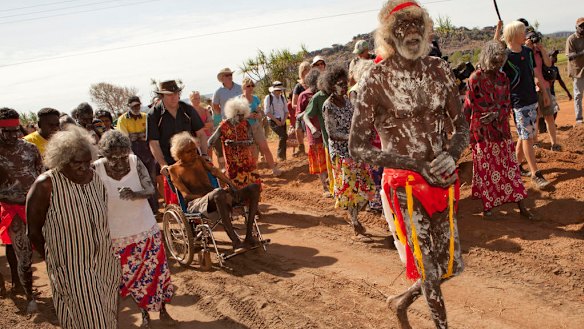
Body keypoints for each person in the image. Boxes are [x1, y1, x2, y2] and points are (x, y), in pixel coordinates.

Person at [349, 1, 469, 328]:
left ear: (427, 28)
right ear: (389, 34)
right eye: (404, 26)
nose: (412, 33)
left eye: (418, 24)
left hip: (441, 181)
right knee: (429, 270)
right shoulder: (376, 78)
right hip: (404, 184)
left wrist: (451, 153)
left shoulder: (439, 70)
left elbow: (462, 127)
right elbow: (357, 145)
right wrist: (412, 164)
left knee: (450, 267)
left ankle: (400, 301)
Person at [26, 126, 120, 328]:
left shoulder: (95, 180)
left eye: (88, 162)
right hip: (73, 270)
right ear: (62, 160)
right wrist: (56, 260)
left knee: (107, 317)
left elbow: (102, 219)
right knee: (95, 322)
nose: (85, 168)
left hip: (105, 264)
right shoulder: (46, 185)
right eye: (78, 164)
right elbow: (33, 232)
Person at [95, 130, 175, 328]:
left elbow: (150, 190)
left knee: (156, 272)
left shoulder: (134, 161)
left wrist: (135, 193)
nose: (121, 162)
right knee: (131, 279)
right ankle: (144, 313)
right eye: (114, 158)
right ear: (104, 155)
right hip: (117, 236)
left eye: (123, 156)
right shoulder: (96, 169)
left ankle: (163, 308)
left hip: (146, 230)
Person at [463, 40, 534, 219]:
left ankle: (521, 204)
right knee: (487, 168)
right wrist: (463, 130)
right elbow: (469, 105)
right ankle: (488, 207)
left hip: (501, 130)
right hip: (482, 133)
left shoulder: (503, 78)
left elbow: (507, 102)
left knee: (510, 167)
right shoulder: (475, 78)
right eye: (495, 62)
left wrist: (498, 114)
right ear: (488, 59)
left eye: (500, 62)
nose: (497, 66)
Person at [168, 132, 261, 251]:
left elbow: (215, 171)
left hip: (217, 197)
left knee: (254, 188)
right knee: (218, 193)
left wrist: (232, 186)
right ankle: (235, 242)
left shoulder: (199, 160)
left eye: (195, 150)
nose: (194, 153)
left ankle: (249, 236)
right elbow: (186, 196)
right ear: (179, 153)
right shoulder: (174, 170)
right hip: (196, 203)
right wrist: (213, 194)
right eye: (189, 151)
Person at [322, 66, 375, 238]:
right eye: (340, 84)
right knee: (351, 189)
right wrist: (352, 137)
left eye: (345, 84)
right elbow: (332, 133)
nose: (344, 87)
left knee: (366, 186)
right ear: (331, 86)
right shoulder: (328, 106)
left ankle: (354, 217)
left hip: (355, 150)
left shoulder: (348, 101)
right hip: (341, 153)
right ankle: (354, 221)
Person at [501, 21, 551, 189]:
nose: (526, 35)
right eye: (523, 32)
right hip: (518, 103)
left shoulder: (529, 52)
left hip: (532, 99)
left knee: (525, 135)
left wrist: (544, 93)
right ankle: (536, 173)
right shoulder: (505, 57)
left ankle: (514, 168)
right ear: (515, 34)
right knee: (528, 137)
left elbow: (535, 73)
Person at [0, 108, 39, 311]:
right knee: (19, 251)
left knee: (44, 247)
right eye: (6, 132)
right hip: (11, 208)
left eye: (15, 130)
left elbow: (40, 175)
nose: (12, 136)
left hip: (34, 207)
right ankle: (24, 289)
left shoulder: (30, 149)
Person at [147, 79, 208, 205]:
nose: (174, 97)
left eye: (176, 93)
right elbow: (154, 143)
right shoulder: (154, 115)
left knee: (202, 189)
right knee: (182, 196)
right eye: (169, 94)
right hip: (171, 164)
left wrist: (205, 154)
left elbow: (201, 134)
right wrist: (163, 164)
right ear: (162, 95)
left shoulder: (188, 110)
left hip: (192, 159)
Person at [117, 95, 159, 213]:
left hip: (148, 153)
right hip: (133, 154)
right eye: (134, 106)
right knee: (138, 181)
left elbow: (151, 136)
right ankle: (144, 210)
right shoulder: (123, 120)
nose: (136, 107)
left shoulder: (146, 117)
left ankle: (155, 209)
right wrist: (132, 157)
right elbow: (125, 140)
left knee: (151, 180)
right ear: (128, 106)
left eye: (138, 105)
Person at [209, 98, 261, 189]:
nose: (242, 118)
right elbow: (211, 141)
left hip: (247, 161)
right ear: (233, 114)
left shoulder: (246, 123)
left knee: (253, 185)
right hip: (233, 164)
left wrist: (236, 143)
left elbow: (251, 141)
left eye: (243, 115)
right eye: (239, 115)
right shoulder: (224, 125)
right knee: (236, 188)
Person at [525, 29, 559, 150]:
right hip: (531, 90)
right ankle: (536, 142)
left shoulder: (539, 52)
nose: (533, 41)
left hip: (544, 86)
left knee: (549, 116)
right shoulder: (523, 53)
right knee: (535, 117)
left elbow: (549, 64)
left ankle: (554, 143)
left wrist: (542, 49)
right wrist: (527, 48)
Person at [240, 77, 281, 176]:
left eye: (252, 85)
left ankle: (274, 169)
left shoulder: (255, 98)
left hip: (256, 125)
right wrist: (248, 116)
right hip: (246, 128)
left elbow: (259, 110)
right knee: (253, 152)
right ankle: (254, 173)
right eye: (248, 86)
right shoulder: (239, 100)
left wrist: (259, 114)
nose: (250, 88)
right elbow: (237, 116)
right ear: (243, 87)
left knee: (265, 147)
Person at [304, 71, 334, 196]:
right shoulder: (318, 97)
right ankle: (329, 188)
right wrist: (312, 128)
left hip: (342, 139)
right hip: (325, 138)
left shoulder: (338, 94)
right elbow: (305, 115)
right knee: (326, 165)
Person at [212, 68, 242, 168]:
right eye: (227, 75)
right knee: (230, 145)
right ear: (222, 78)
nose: (230, 76)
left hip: (241, 120)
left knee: (242, 143)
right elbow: (215, 106)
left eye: (230, 74)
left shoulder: (239, 87)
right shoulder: (218, 92)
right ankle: (233, 167)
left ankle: (243, 166)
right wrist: (224, 115)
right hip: (227, 123)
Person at [264, 81, 289, 161]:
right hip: (273, 120)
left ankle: (283, 157)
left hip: (282, 120)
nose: (279, 91)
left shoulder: (282, 98)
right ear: (273, 90)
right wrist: (276, 121)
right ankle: (279, 156)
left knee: (284, 136)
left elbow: (286, 110)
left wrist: (284, 120)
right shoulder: (268, 98)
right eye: (278, 90)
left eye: (280, 90)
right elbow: (267, 112)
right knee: (283, 136)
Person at [566, 17, 584, 124]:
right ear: (576, 27)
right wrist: (582, 52)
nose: (583, 28)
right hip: (577, 71)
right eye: (581, 26)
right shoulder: (571, 39)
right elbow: (570, 56)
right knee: (578, 95)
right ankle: (579, 118)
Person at [291, 61, 311, 157]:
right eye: (305, 71)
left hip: (312, 113)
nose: (307, 73)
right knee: (298, 129)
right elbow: (293, 104)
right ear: (301, 73)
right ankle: (301, 148)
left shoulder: (313, 85)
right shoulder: (298, 87)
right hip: (301, 113)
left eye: (308, 70)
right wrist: (303, 110)